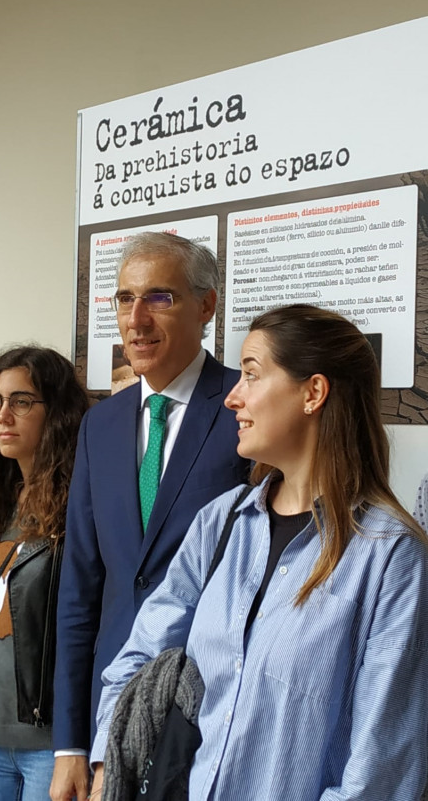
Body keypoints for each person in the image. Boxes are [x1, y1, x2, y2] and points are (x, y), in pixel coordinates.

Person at [90, 304, 428, 801]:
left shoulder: (390, 556)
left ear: (312, 393)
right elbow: (140, 654)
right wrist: (108, 768)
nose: (233, 397)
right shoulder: (221, 523)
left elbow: (382, 772)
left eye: (251, 374)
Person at [51, 232, 249, 800]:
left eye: (160, 297)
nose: (136, 320)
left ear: (206, 306)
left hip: (210, 708)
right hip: (112, 714)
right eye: (124, 299)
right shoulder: (101, 425)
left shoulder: (243, 408)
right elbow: (80, 588)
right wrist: (70, 744)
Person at [0, 346, 89, 800]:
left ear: (56, 414)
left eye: (21, 401)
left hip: (51, 743)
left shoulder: (81, 505)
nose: (3, 415)